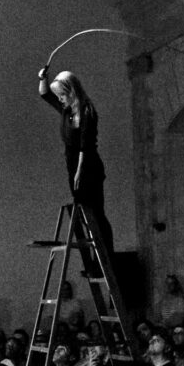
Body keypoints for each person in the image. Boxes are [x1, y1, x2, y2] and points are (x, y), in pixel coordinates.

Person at [37, 68, 112, 257]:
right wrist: (43, 78)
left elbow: (86, 146)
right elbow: (44, 94)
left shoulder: (86, 111)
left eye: (62, 95)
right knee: (86, 217)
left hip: (88, 168)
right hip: (73, 167)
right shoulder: (67, 111)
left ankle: (105, 256)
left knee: (95, 214)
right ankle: (95, 259)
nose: (60, 99)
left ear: (71, 91)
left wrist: (80, 171)